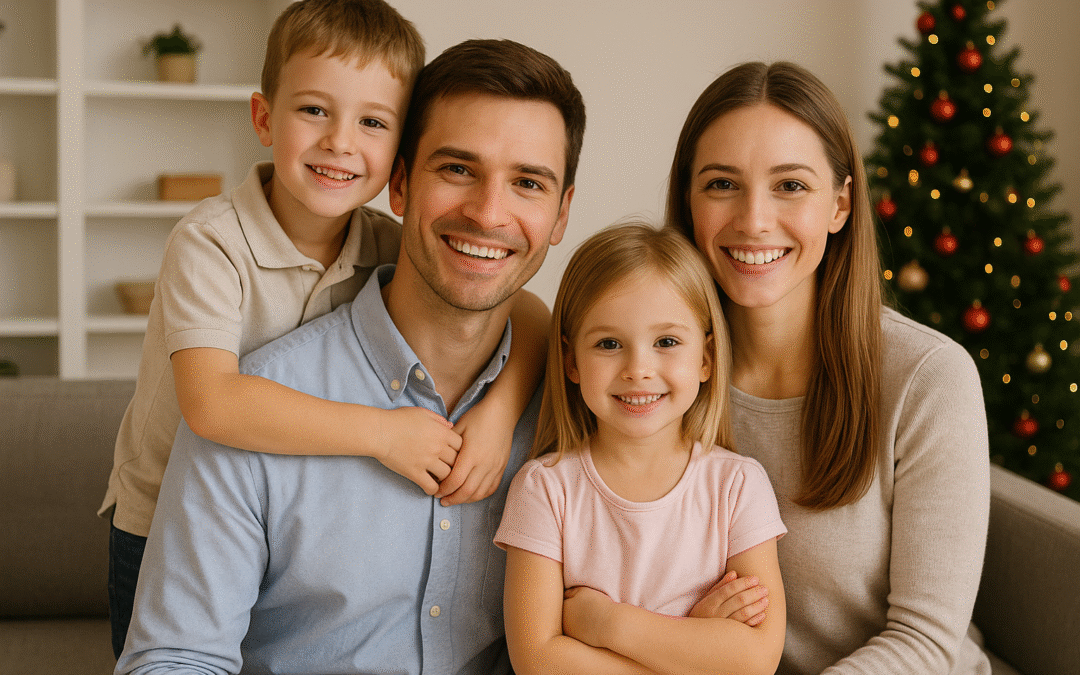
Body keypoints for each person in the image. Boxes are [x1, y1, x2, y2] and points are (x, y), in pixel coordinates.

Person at [114, 36, 585, 675]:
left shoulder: (584, 407)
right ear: (398, 185)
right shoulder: (247, 400)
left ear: (561, 216)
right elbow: (176, 658)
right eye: (456, 169)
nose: (487, 212)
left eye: (527, 183)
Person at [665, 61, 991, 673]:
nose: (754, 219)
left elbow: (924, 641)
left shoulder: (929, 378)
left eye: (790, 185)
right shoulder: (650, 375)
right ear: (688, 201)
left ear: (840, 204)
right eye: (720, 184)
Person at [496, 223, 787, 675]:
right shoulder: (545, 489)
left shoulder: (737, 485)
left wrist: (607, 623)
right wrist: (696, 644)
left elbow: (756, 659)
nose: (639, 369)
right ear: (572, 361)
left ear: (706, 359)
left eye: (666, 342)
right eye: (609, 344)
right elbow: (537, 661)